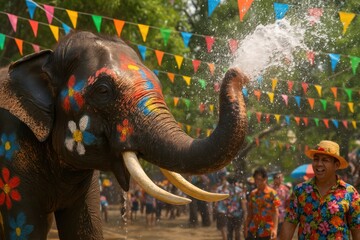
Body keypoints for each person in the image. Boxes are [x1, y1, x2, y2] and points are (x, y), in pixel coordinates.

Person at [280, 140, 360, 239]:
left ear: (336, 165)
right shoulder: (300, 191)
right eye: (316, 159)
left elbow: (357, 230)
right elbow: (289, 224)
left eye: (325, 160)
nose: (319, 164)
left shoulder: (350, 193)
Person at [245, 167, 280, 240]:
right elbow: (250, 213)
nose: (257, 182)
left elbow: (275, 213)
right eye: (256, 179)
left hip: (267, 230)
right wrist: (245, 226)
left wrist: (275, 229)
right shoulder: (253, 194)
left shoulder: (272, 193)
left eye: (259, 179)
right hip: (253, 229)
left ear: (265, 179)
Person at [227, 175, 247, 240]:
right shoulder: (240, 191)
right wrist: (244, 215)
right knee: (237, 231)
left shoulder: (225, 190)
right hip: (238, 215)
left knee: (229, 232)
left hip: (228, 215)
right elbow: (243, 203)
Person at [270, 172, 290, 236]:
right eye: (278, 178)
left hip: (282, 215)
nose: (280, 179)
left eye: (281, 178)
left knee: (281, 234)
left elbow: (288, 202)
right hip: (271, 214)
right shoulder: (270, 189)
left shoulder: (285, 189)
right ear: (274, 179)